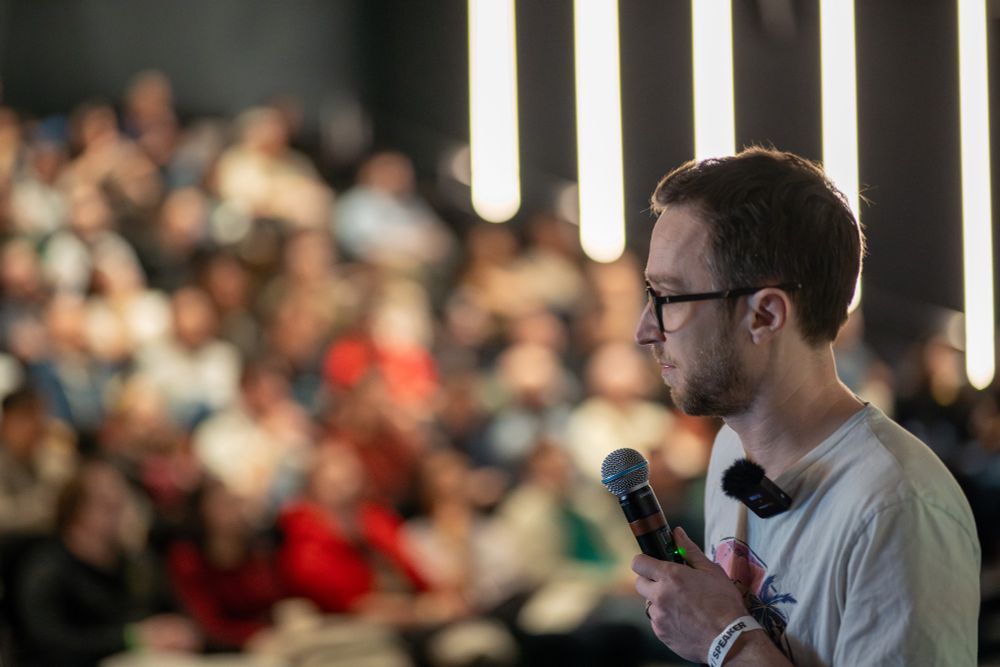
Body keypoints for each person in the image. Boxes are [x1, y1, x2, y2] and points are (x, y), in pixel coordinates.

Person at [630, 147, 979, 666]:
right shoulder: (731, 449)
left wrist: (729, 641)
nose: (645, 329)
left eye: (669, 298)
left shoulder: (896, 507)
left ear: (765, 315)